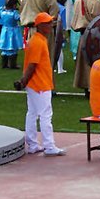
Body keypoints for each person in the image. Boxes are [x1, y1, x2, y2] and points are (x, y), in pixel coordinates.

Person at [17, 12, 64, 156]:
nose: (51, 25)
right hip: (39, 85)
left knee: (32, 113)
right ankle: (49, 146)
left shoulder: (37, 40)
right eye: (48, 23)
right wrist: (23, 80)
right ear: (40, 26)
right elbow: (32, 65)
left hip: (35, 84)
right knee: (45, 115)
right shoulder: (38, 42)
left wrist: (24, 82)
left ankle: (32, 144)